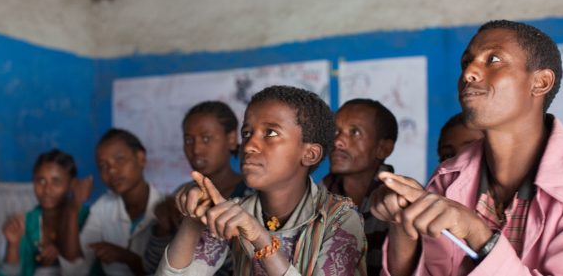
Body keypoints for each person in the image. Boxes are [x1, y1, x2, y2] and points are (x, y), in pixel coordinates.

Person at [371, 19, 563, 275]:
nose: (469, 73)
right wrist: (403, 220)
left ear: (540, 82)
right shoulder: (448, 178)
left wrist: (477, 233)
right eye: (466, 62)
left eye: (493, 60)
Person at [156, 85, 367, 275]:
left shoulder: (339, 218)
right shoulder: (234, 214)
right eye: (246, 133)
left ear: (309, 154)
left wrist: (260, 238)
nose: (249, 146)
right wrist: (194, 218)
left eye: (271, 133)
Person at [144, 101, 252, 274]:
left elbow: (252, 265)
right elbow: (152, 268)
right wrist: (162, 229)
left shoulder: (252, 194)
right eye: (188, 140)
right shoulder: (183, 195)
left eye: (206, 138)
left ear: (231, 139)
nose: (196, 149)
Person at [60, 128, 163, 275]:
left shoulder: (164, 211)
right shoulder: (103, 207)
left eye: (119, 159)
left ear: (141, 158)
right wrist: (73, 207)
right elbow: (75, 269)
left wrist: (128, 258)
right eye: (103, 166)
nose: (112, 170)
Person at [321, 98, 397, 275]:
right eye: (335, 132)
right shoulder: (315, 197)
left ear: (383, 149)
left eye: (354, 132)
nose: (338, 141)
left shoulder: (399, 202)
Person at [0, 149, 90, 276]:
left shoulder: (88, 219)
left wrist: (63, 250)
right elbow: (9, 274)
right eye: (41, 181)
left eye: (56, 182)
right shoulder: (26, 223)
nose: (47, 190)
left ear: (72, 185)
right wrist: (13, 245)